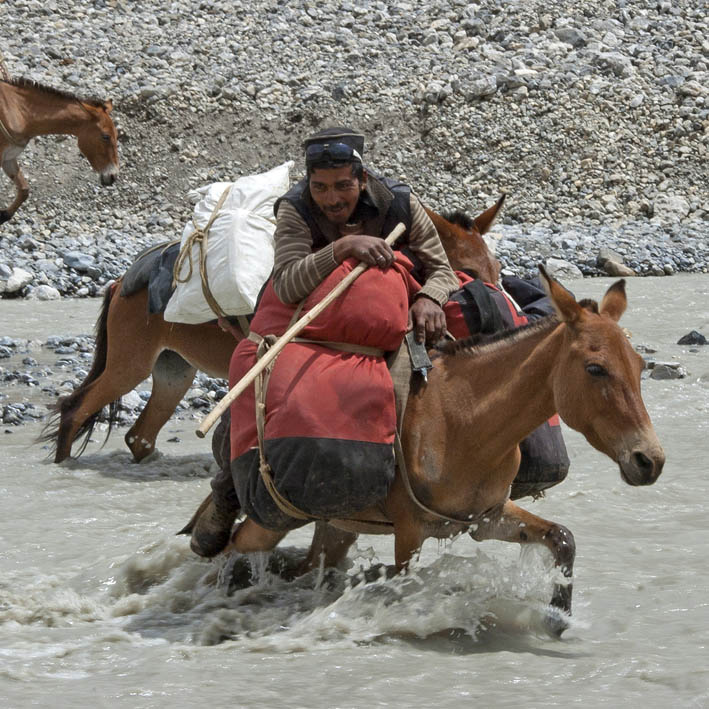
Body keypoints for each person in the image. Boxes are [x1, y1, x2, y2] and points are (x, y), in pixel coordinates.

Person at [187, 126, 459, 557]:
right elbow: (289, 281)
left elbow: (441, 267)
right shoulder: (295, 208)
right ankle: (228, 491)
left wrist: (429, 297)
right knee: (262, 379)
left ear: (363, 178)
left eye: (343, 187)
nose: (332, 199)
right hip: (306, 320)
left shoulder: (401, 203)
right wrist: (343, 247)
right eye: (321, 188)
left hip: (384, 319)